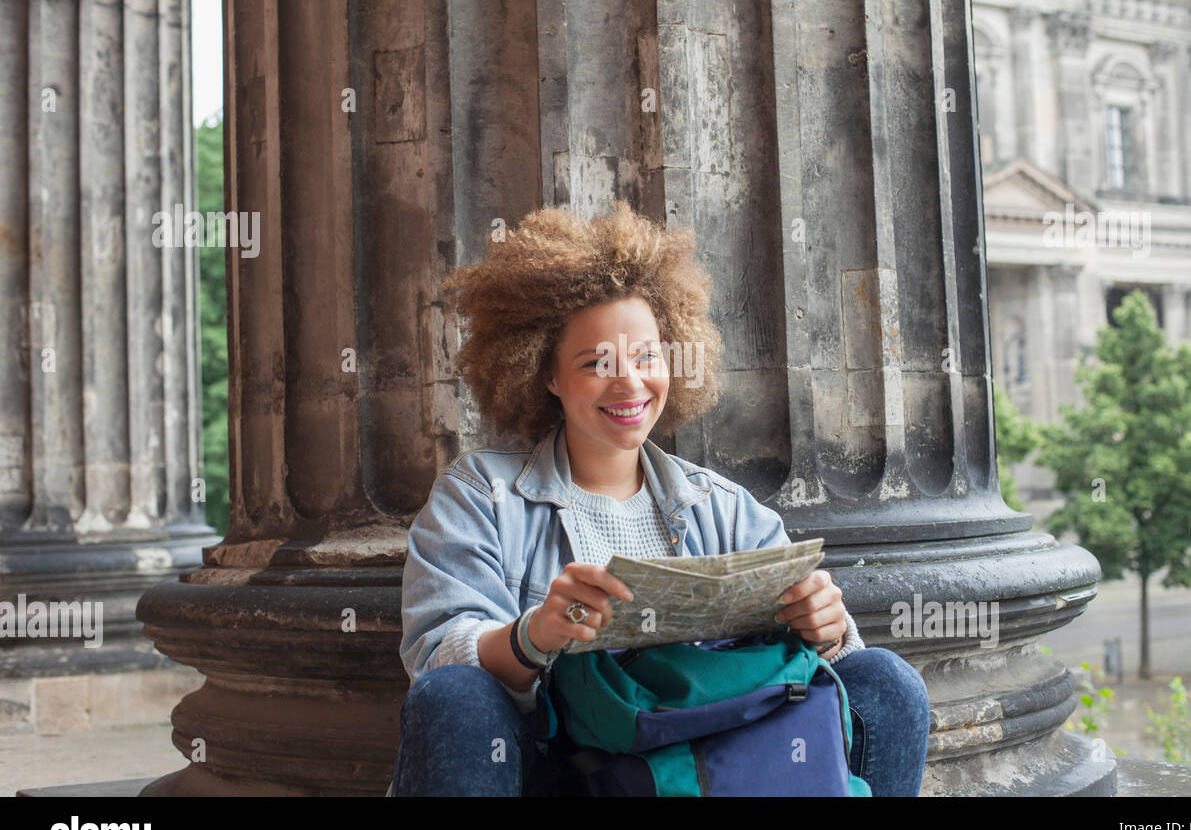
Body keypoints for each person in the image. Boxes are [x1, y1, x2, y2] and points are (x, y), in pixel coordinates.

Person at [390, 201, 931, 796]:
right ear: (546, 374)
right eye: (597, 362)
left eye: (647, 357)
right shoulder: (481, 495)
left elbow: (827, 663)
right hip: (559, 769)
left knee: (885, 679)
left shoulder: (723, 507)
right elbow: (437, 657)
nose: (630, 382)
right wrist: (535, 634)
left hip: (711, 760)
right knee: (455, 695)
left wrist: (827, 627)